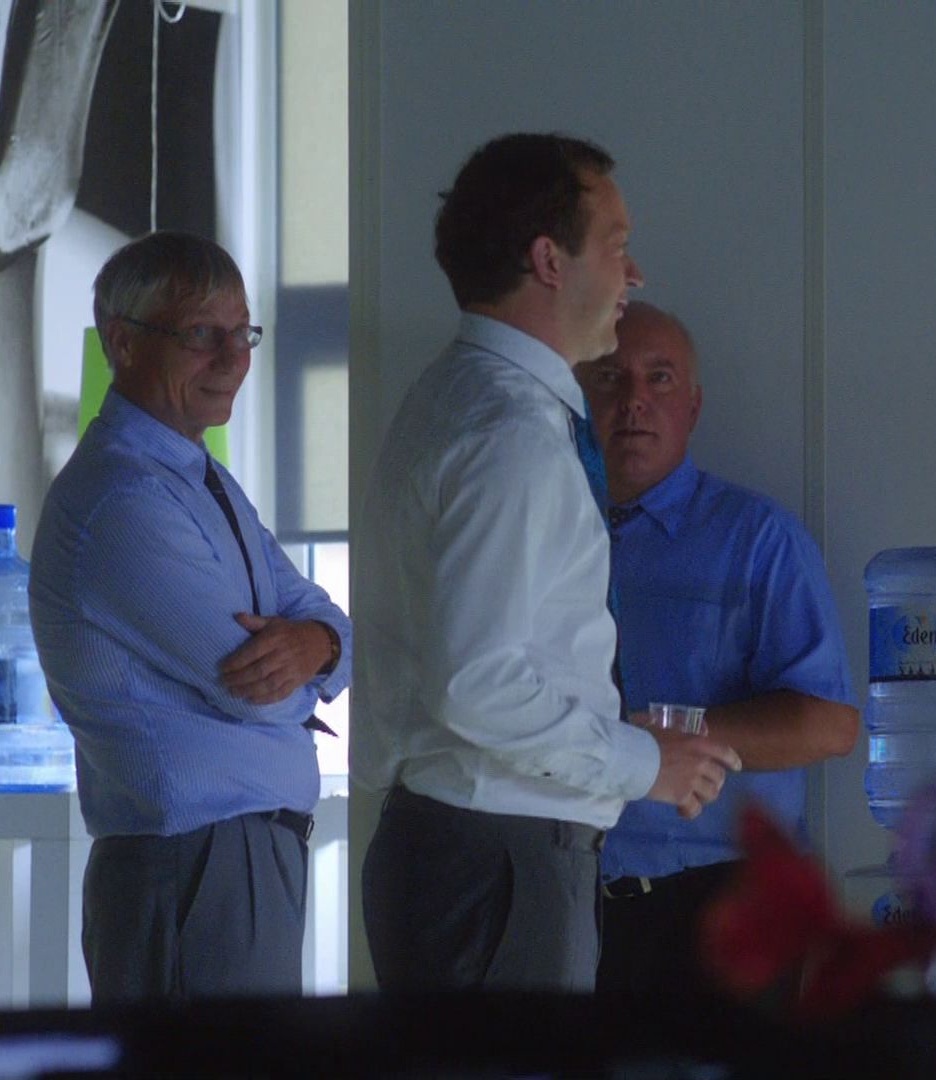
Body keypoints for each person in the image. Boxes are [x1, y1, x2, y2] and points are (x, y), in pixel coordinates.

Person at [355, 134, 743, 993]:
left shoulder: (460, 398)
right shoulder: (512, 435)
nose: (633, 273)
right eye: (615, 244)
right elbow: (477, 683)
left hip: (479, 854)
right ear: (547, 261)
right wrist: (644, 764)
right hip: (496, 862)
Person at [30, 231, 352, 1002]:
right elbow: (252, 688)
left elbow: (320, 614)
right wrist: (309, 671)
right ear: (123, 342)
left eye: (243, 333)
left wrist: (316, 643)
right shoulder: (121, 497)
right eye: (203, 334)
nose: (234, 358)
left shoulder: (198, 475)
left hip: (229, 863)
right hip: (193, 866)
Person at [574, 302, 858, 1003]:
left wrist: (675, 740)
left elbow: (830, 725)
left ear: (693, 407)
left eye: (660, 378)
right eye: (610, 378)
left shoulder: (758, 539)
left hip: (721, 907)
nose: (634, 400)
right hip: (569, 902)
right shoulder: (544, 536)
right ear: (578, 398)